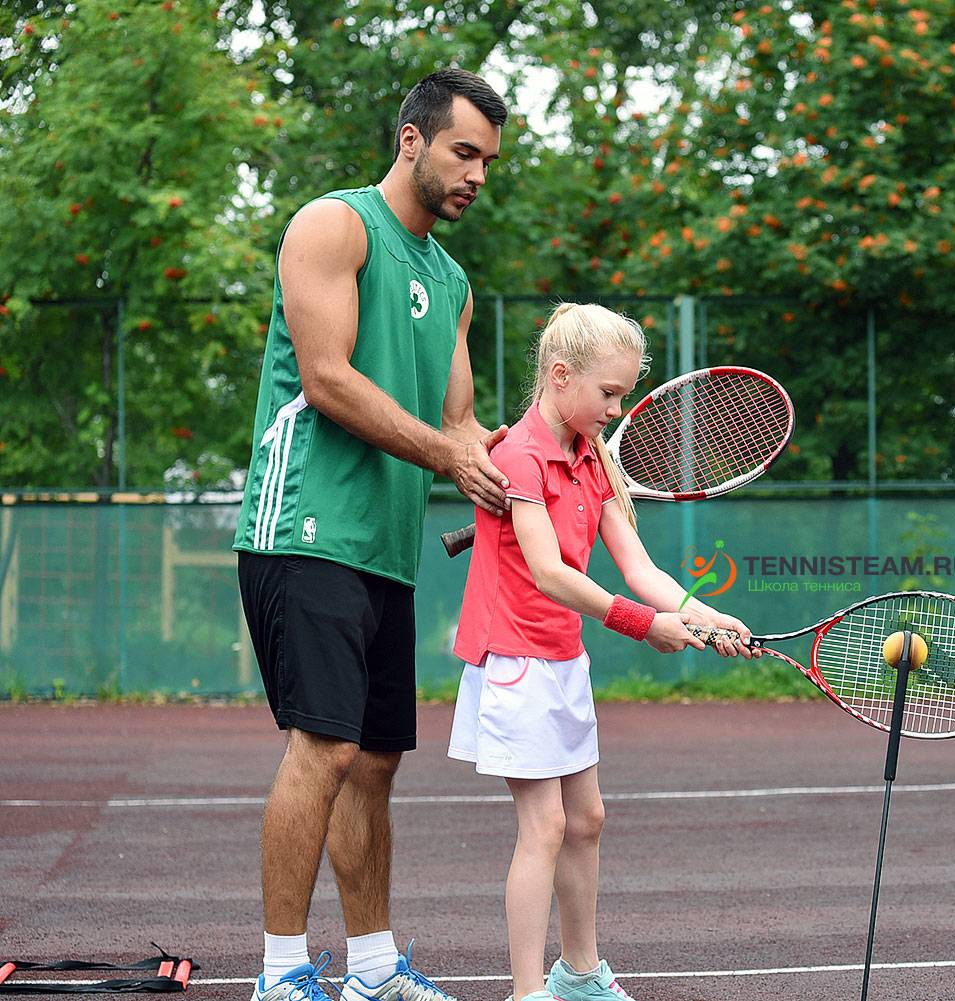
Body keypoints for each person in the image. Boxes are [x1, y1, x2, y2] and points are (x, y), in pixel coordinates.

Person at [232, 68, 511, 1001]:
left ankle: (376, 969)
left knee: (377, 760)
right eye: (463, 152)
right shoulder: (334, 225)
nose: (476, 174)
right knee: (327, 745)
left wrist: (505, 467)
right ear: (411, 141)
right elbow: (329, 379)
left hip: (386, 546)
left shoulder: (454, 280)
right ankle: (279, 974)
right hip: (304, 526)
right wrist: (450, 457)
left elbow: (461, 423)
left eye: (488, 161)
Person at [447, 303, 754, 1001]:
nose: (616, 408)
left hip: (562, 658)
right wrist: (644, 626)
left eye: (622, 394)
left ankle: (580, 973)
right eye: (608, 393)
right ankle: (528, 992)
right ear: (560, 376)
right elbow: (552, 570)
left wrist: (706, 615)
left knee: (586, 819)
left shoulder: (593, 459)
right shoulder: (520, 453)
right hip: (514, 660)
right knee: (545, 825)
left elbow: (640, 569)